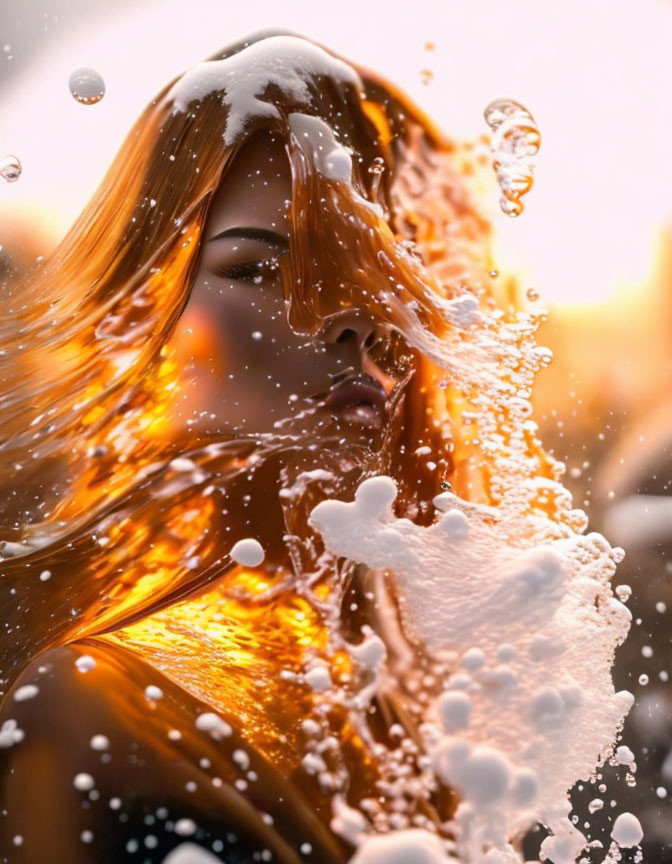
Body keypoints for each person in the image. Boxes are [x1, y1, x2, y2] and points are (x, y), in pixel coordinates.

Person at [0, 29, 511, 863]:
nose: (346, 317)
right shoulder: (93, 706)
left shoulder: (410, 710)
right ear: (144, 317)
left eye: (378, 280)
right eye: (259, 271)